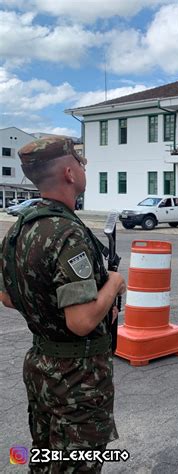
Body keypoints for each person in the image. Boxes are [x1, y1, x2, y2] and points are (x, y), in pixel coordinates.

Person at [0, 136, 126, 473]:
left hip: (41, 367)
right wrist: (112, 286)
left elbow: (8, 295)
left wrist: (50, 309)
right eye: (81, 163)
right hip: (77, 378)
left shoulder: (20, 228)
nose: (85, 168)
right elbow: (82, 322)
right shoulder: (68, 234)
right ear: (69, 173)